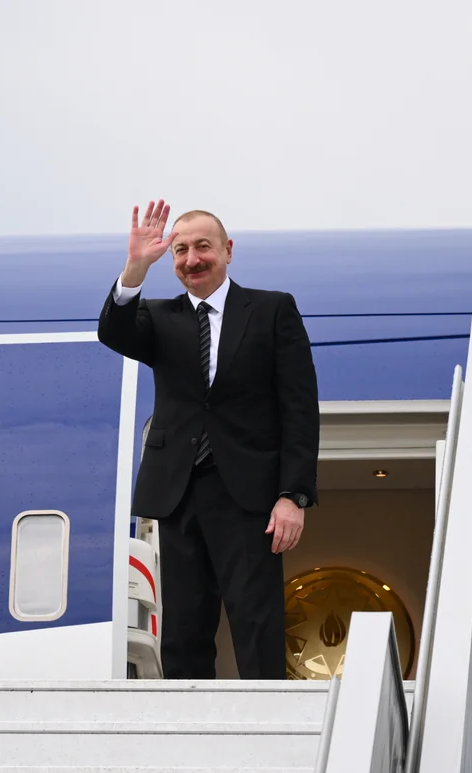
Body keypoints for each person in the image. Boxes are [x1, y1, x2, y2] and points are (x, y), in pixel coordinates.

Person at [97, 199, 320, 680]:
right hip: (178, 491)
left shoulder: (272, 310)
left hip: (249, 494)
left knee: (256, 623)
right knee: (183, 629)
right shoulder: (158, 317)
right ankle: (191, 721)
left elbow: (300, 410)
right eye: (180, 251)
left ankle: (268, 721)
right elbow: (112, 332)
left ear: (228, 250)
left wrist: (293, 495)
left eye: (203, 247)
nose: (192, 259)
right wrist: (136, 267)